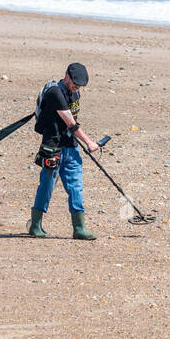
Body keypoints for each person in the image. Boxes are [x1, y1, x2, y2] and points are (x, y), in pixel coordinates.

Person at [29, 62, 101, 240]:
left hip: (70, 147)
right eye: (75, 83)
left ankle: (79, 228)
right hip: (52, 147)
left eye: (80, 85)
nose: (77, 87)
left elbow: (71, 123)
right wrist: (89, 142)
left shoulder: (75, 92)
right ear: (66, 76)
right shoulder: (55, 92)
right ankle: (35, 226)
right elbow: (71, 122)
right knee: (47, 187)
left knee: (76, 186)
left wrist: (79, 140)